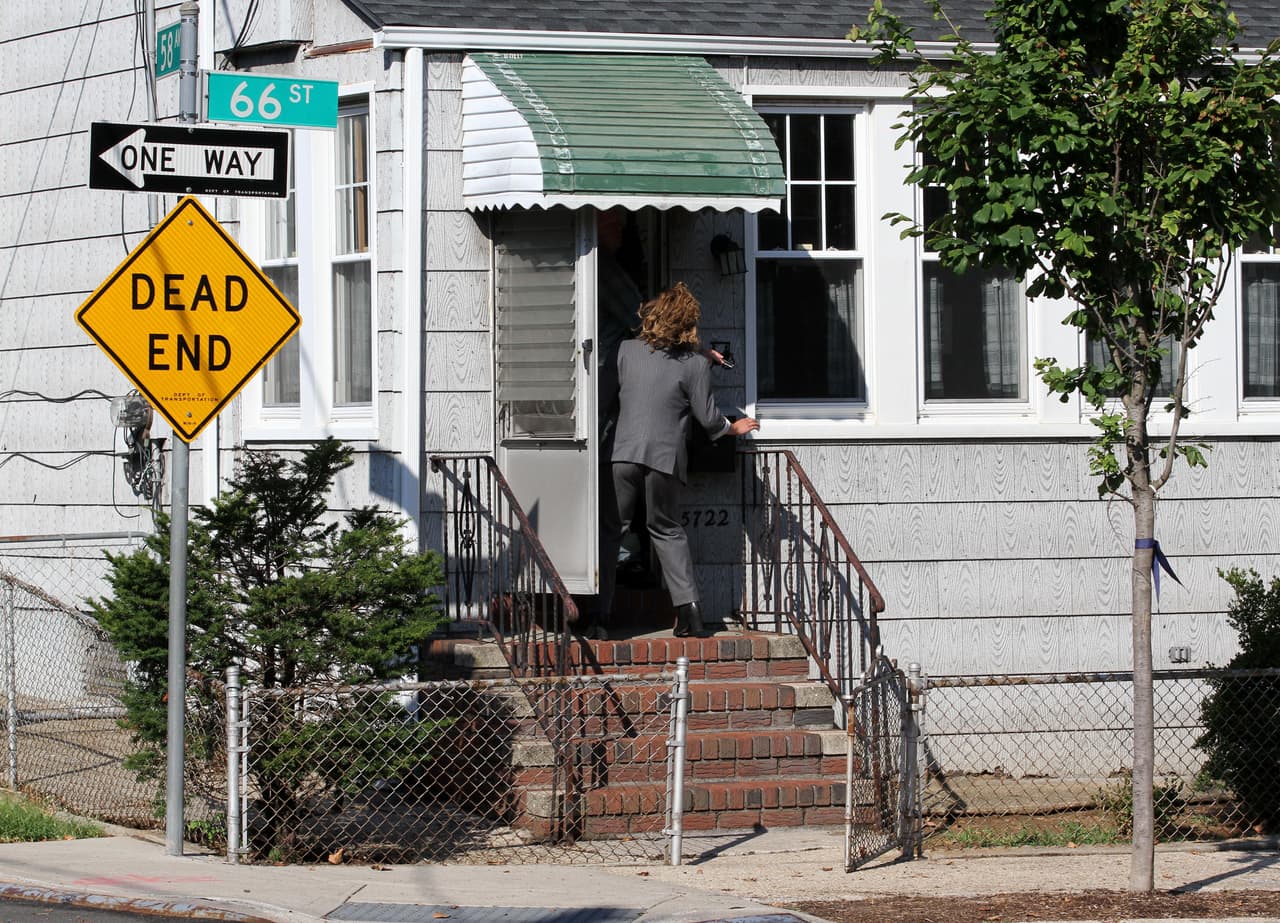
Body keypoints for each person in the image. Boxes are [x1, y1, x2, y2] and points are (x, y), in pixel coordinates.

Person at [594, 282, 759, 638]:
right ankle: (691, 614)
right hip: (665, 458)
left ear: (652, 315)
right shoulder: (695, 365)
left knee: (611, 531)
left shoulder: (625, 350)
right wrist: (733, 428)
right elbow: (709, 419)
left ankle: (600, 617)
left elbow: (604, 401)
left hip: (622, 453)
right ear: (689, 324)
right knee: (667, 530)